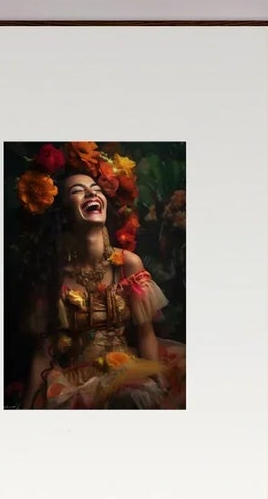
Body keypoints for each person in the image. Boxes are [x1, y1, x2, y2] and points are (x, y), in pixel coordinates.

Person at [22, 165, 185, 410]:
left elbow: (145, 333)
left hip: (127, 370)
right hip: (77, 380)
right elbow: (43, 353)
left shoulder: (128, 264)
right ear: (64, 213)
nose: (91, 194)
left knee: (137, 393)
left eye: (96, 189)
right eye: (78, 191)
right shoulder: (52, 277)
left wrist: (157, 377)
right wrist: (27, 406)